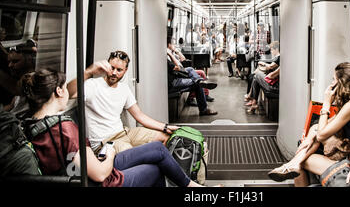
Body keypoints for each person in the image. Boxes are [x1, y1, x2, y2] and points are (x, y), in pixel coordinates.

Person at [21, 69, 211, 187]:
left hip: (81, 171)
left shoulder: (32, 123)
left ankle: (191, 186)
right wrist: (110, 154)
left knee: (157, 149)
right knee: (154, 170)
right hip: (96, 179)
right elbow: (100, 173)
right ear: (58, 92)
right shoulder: (65, 128)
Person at [268, 62, 350, 185]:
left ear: (341, 83)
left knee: (304, 160)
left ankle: (294, 163)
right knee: (309, 141)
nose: (331, 84)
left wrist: (326, 103)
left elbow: (321, 134)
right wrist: (308, 139)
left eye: (334, 80)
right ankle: (294, 164)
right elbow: (316, 128)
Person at [67, 51, 177, 154]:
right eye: (112, 68)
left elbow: (139, 116)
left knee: (165, 137)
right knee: (129, 152)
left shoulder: (124, 88)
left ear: (125, 70)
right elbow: (69, 92)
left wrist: (165, 127)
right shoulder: (93, 85)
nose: (114, 73)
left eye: (119, 70)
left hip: (124, 133)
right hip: (105, 141)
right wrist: (89, 71)